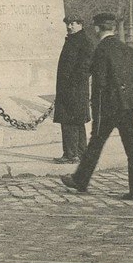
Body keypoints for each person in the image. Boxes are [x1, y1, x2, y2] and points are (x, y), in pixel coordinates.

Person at [61, 12, 133, 201]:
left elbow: (99, 85)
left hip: (109, 108)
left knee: (95, 144)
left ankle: (80, 180)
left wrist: (97, 112)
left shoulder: (101, 50)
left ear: (96, 28)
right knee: (132, 147)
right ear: (114, 28)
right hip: (127, 107)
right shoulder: (126, 49)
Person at [53, 14, 94, 164]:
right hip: (69, 89)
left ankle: (72, 154)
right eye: (68, 24)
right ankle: (78, 153)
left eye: (73, 23)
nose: (69, 26)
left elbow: (86, 67)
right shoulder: (72, 40)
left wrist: (72, 86)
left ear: (81, 24)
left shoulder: (84, 42)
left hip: (75, 90)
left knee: (72, 122)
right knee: (75, 122)